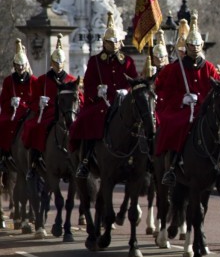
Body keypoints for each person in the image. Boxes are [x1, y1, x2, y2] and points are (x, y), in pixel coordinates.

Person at [155, 14, 220, 187]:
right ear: (187, 46)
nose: (195, 48)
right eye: (192, 45)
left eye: (198, 45)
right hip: (183, 109)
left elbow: (218, 87)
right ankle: (172, 165)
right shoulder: (177, 68)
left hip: (204, 109)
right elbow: (168, 92)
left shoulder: (209, 67)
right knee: (174, 125)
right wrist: (182, 99)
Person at [72, 12, 138, 178]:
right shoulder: (95, 61)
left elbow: (134, 82)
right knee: (88, 119)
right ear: (104, 43)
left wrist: (127, 91)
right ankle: (85, 160)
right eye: (110, 42)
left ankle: (142, 159)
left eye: (115, 42)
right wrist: (97, 93)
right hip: (102, 102)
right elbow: (88, 83)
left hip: (123, 102)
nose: (113, 45)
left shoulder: (128, 61)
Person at [21, 34, 81, 179]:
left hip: (67, 112)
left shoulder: (72, 80)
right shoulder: (42, 80)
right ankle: (34, 161)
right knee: (35, 128)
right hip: (48, 112)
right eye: (55, 62)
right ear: (52, 62)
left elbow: (80, 99)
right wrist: (39, 103)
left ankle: (84, 161)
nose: (58, 66)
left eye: (60, 63)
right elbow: (32, 100)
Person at [0, 40, 38, 172]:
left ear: (26, 65)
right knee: (3, 123)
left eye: (22, 65)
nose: (20, 68)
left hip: (28, 111)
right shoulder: (8, 81)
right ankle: (3, 154)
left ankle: (38, 156)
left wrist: (30, 105)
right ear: (14, 65)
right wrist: (10, 102)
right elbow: (3, 100)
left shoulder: (34, 81)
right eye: (18, 65)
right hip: (13, 112)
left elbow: (36, 99)